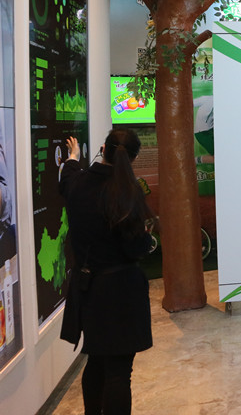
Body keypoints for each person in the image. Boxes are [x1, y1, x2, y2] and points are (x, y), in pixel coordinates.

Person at [59, 130, 153, 415]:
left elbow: (67, 175)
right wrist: (148, 239)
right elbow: (136, 247)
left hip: (89, 289)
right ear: (133, 158)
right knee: (119, 372)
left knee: (97, 360)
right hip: (123, 291)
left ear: (103, 149)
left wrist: (73, 157)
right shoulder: (129, 192)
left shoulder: (77, 183)